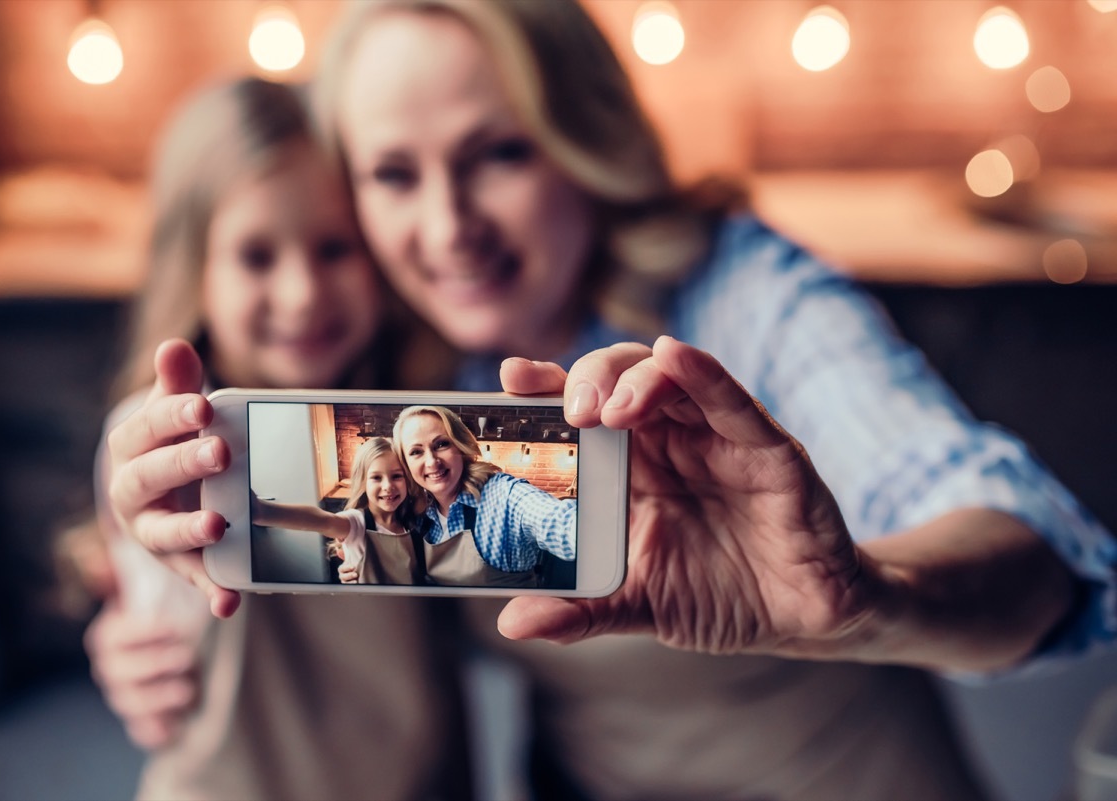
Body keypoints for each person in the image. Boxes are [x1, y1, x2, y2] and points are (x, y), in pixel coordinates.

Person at [104, 1, 1116, 798]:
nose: (447, 228)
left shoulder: (743, 303)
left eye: (499, 153)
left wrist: (870, 598)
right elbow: (245, 488)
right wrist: (142, 604)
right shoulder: (375, 339)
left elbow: (1039, 562)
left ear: (583, 140)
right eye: (393, 174)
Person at [81, 75, 470, 800]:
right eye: (256, 256)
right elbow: (145, 528)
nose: (302, 293)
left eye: (333, 247)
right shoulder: (170, 435)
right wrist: (138, 550)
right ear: (195, 266)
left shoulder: (419, 415)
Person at [392, 405, 575, 587]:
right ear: (406, 464)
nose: (432, 462)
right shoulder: (416, 513)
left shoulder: (504, 496)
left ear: (461, 446)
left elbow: (563, 522)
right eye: (416, 452)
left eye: (441, 444)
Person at [252, 436, 426, 585]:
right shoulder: (356, 523)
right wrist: (263, 511)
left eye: (396, 476)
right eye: (376, 478)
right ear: (363, 482)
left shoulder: (412, 522)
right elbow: (323, 520)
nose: (388, 486)